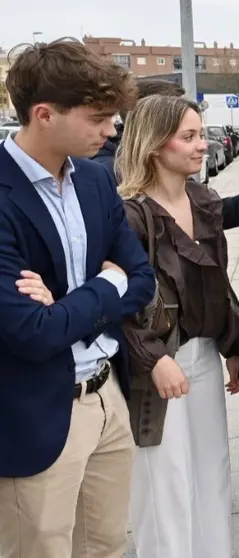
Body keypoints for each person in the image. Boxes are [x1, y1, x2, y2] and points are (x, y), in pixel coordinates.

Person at [0, 39, 156, 557]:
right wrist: (105, 285)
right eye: (98, 118)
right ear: (44, 114)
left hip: (108, 395)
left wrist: (66, 304)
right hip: (36, 413)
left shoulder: (93, 178)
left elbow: (142, 279)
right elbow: (30, 332)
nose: (112, 130)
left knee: (107, 544)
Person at [117, 95, 239, 558]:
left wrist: (234, 346)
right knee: (163, 488)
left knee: (213, 472)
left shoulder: (204, 200)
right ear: (155, 145)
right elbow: (119, 304)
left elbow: (218, 282)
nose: (202, 145)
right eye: (189, 136)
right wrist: (154, 359)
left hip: (205, 356)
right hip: (156, 367)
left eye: (200, 134)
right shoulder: (129, 215)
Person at [91, 78, 239, 229]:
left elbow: (222, 213)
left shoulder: (183, 184)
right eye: (187, 136)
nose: (202, 146)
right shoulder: (107, 178)